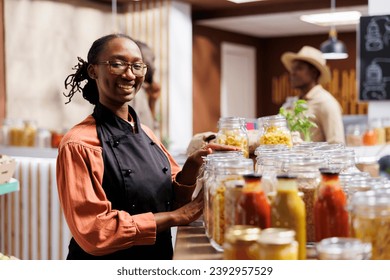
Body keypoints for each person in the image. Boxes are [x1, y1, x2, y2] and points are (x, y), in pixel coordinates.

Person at [57, 33, 239, 260]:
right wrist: (175, 217)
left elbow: (171, 200)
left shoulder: (147, 134)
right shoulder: (78, 143)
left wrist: (192, 165)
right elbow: (95, 232)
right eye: (117, 64)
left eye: (137, 65)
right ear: (93, 71)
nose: (129, 74)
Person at [281, 45, 345, 144]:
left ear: (314, 73)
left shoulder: (325, 102)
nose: (292, 73)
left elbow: (337, 144)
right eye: (292, 69)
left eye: (299, 68)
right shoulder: (295, 103)